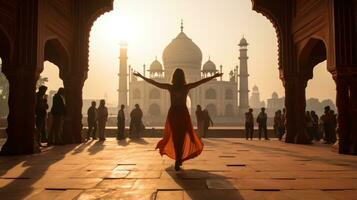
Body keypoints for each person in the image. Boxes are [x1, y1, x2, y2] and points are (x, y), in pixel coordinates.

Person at [134, 68, 222, 171]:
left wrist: (141, 76)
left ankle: (178, 159)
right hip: (183, 113)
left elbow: (155, 83)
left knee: (175, 137)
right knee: (183, 136)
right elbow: (201, 82)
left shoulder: (170, 88)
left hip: (173, 113)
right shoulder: (186, 87)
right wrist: (213, 77)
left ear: (173, 77)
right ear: (183, 77)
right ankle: (179, 158)